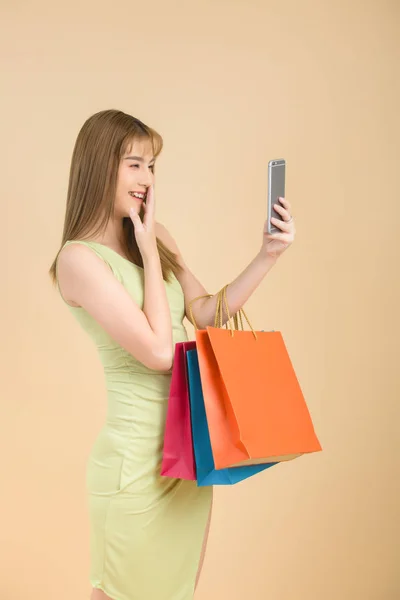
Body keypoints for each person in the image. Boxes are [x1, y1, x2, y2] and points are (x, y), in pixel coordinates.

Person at [49, 109, 295, 600]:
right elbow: (161, 353)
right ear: (100, 166)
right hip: (133, 468)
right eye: (134, 164)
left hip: (186, 456)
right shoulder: (78, 260)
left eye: (152, 166)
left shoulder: (156, 236)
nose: (146, 179)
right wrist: (146, 247)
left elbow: (205, 314)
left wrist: (267, 253)